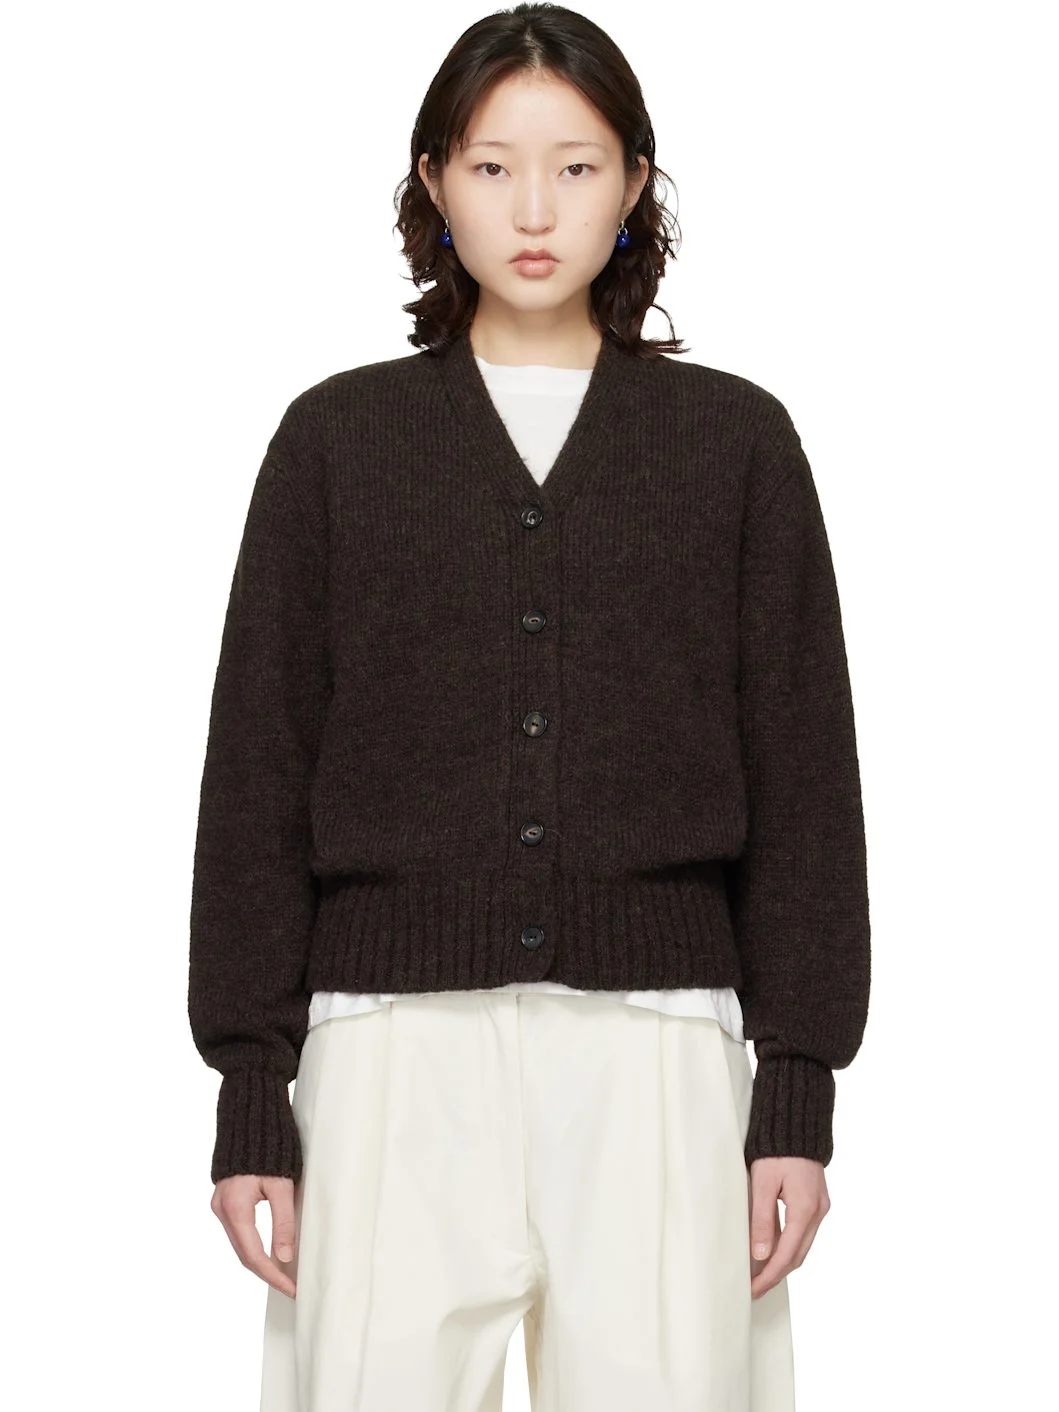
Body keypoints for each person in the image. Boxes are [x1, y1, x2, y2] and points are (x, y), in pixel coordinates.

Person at [187, 5, 871, 1409]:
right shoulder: (337, 441)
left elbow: (805, 774)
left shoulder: (733, 443)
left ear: (634, 185)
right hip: (388, 1048)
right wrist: (252, 1086)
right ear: (434, 183)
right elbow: (258, 766)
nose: (536, 210)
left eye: (576, 166)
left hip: (659, 1047)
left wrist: (795, 1086)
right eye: (493, 167)